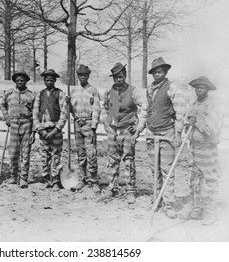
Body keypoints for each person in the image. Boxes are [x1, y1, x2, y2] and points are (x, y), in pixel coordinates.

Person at [145, 57, 186, 218]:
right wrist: (140, 130)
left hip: (167, 133)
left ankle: (168, 203)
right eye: (155, 72)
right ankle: (157, 198)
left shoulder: (172, 87)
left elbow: (181, 110)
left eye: (160, 71)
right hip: (151, 133)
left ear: (165, 72)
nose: (157, 74)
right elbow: (145, 110)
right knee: (154, 168)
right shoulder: (150, 89)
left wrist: (178, 133)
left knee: (167, 169)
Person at [100, 62, 147, 204]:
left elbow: (145, 107)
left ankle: (130, 189)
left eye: (121, 76)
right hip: (113, 131)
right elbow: (104, 108)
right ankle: (112, 186)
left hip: (127, 131)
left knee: (128, 160)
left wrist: (138, 127)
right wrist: (106, 123)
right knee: (112, 160)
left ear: (125, 76)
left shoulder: (134, 91)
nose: (118, 79)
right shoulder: (108, 92)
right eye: (115, 77)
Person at [186, 76, 222, 225]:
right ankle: (197, 208)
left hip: (207, 148)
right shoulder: (194, 104)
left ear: (207, 89)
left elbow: (212, 130)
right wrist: (189, 122)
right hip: (194, 147)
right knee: (194, 180)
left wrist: (198, 121)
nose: (199, 90)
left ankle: (212, 213)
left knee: (211, 181)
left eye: (202, 87)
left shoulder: (212, 105)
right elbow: (189, 122)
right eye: (197, 87)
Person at [33, 69, 68, 191]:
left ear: (55, 81)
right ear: (44, 81)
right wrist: (39, 128)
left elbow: (64, 114)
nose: (49, 82)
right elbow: (35, 113)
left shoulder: (60, 94)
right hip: (43, 130)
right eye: (46, 80)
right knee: (44, 156)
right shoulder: (40, 94)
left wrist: (56, 129)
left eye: (51, 80)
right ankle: (47, 179)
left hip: (55, 130)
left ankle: (56, 180)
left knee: (56, 155)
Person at [0, 70, 36, 188]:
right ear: (15, 81)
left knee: (25, 153)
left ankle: (23, 178)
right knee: (13, 152)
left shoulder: (31, 95)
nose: (20, 82)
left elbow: (36, 114)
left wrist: (33, 131)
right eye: (17, 80)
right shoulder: (9, 93)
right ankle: (13, 176)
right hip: (14, 124)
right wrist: (7, 118)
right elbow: (2, 105)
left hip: (27, 124)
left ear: (26, 81)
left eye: (22, 80)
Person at [69, 64, 101, 193]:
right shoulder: (73, 91)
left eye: (85, 75)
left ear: (88, 76)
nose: (82, 77)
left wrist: (93, 126)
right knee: (80, 153)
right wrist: (67, 104)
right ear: (77, 76)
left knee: (91, 153)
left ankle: (94, 181)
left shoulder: (93, 90)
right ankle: (82, 179)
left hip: (88, 123)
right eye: (80, 75)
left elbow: (97, 109)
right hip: (77, 123)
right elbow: (71, 110)